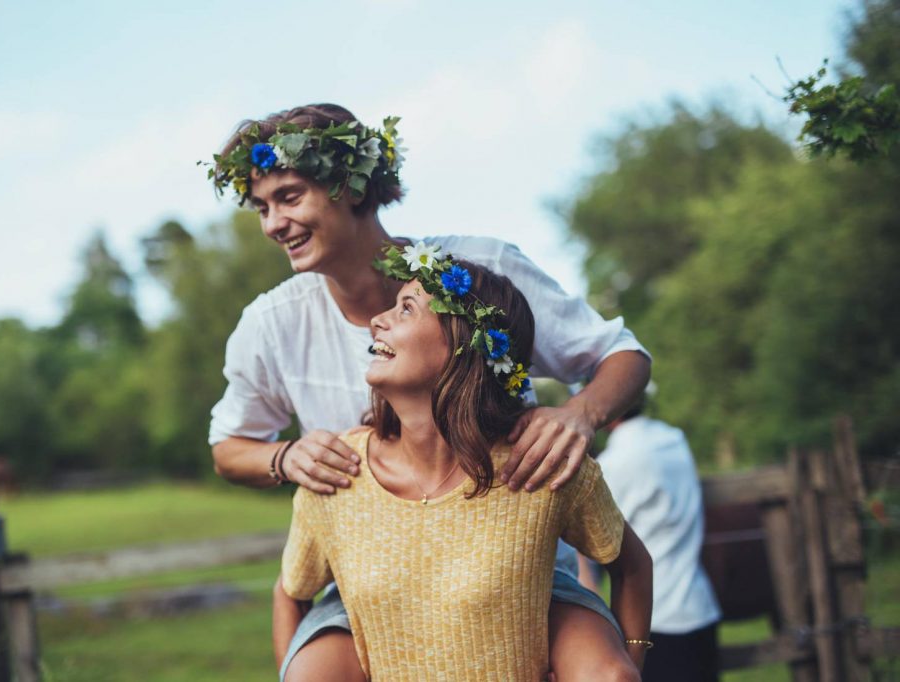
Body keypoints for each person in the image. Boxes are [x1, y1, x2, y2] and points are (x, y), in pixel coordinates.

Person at [206, 103, 653, 678]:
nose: (271, 224)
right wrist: (284, 455)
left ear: (351, 185)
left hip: (519, 569)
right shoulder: (270, 325)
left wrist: (581, 412)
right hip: (371, 584)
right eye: (261, 208)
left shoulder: (480, 271)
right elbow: (227, 448)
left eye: (289, 197)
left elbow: (623, 354)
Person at [274, 255, 653, 681]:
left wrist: (631, 657)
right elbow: (291, 593)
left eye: (406, 308)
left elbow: (633, 566)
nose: (377, 320)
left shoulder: (541, 463)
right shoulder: (337, 472)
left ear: (462, 344)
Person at [578, 399, 722, 682]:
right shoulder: (675, 440)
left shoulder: (613, 465)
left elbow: (587, 545)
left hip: (651, 619)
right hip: (699, 605)